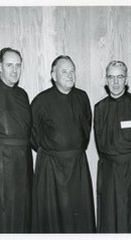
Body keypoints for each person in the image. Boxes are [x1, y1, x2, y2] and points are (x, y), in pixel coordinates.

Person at [30, 55, 96, 233]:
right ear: (53, 75)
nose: (69, 75)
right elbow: (32, 133)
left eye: (72, 71)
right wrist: (54, 149)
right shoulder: (41, 101)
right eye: (64, 71)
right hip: (51, 167)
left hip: (77, 164)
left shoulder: (82, 97)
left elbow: (86, 127)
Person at [0, 48, 33, 233]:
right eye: (9, 65)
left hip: (23, 164)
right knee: (0, 215)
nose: (14, 70)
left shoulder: (23, 95)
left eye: (18, 65)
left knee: (23, 213)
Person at [94, 61, 131, 233]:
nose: (115, 82)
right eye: (111, 77)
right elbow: (100, 143)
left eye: (120, 77)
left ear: (126, 79)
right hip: (109, 172)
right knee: (110, 216)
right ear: (106, 80)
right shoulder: (99, 108)